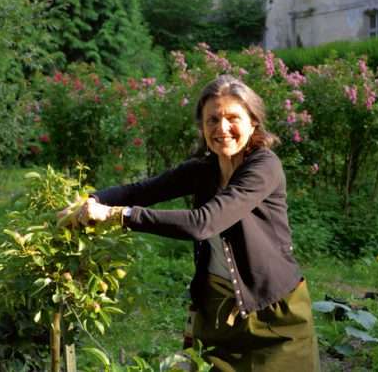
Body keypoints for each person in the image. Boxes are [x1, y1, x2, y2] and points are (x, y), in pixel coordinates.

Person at [61, 75, 320, 371]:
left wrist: (119, 215)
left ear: (253, 122)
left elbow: (203, 222)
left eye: (233, 118)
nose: (222, 128)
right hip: (218, 307)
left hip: (274, 313)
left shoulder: (264, 167)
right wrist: (91, 200)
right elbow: (142, 190)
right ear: (202, 127)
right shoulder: (204, 169)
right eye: (212, 120)